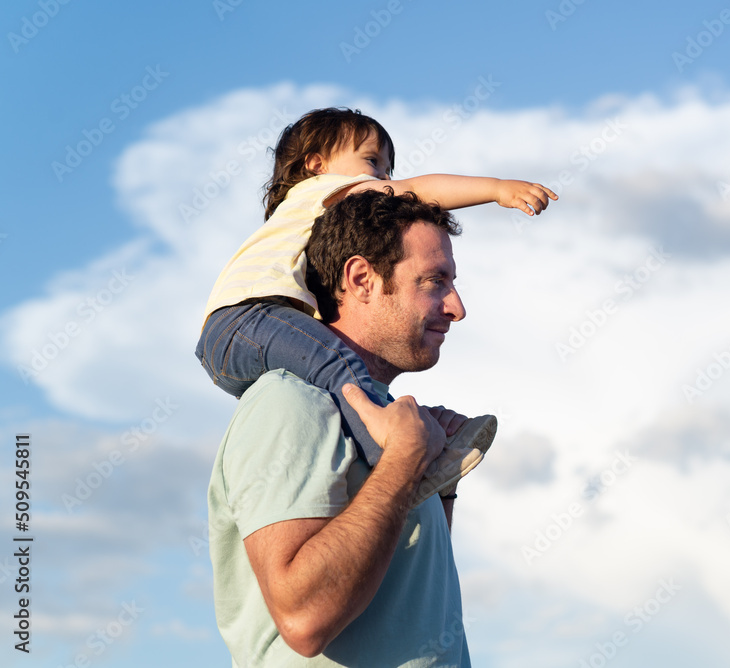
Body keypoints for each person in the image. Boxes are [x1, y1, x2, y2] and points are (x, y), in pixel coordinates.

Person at [195, 108, 556, 501]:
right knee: (336, 362)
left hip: (234, 337)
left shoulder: (301, 220)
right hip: (246, 320)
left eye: (387, 170)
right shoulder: (318, 190)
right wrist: (496, 188)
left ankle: (413, 443)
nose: (383, 180)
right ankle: (390, 452)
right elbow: (416, 189)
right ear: (316, 164)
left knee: (332, 381)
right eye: (372, 163)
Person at [209, 189, 475, 666]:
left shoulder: (392, 422)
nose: (457, 307)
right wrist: (402, 463)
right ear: (361, 279)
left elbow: (408, 592)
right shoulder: (289, 401)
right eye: (435, 281)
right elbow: (303, 619)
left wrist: (442, 483)